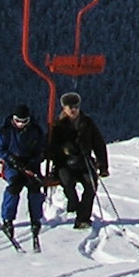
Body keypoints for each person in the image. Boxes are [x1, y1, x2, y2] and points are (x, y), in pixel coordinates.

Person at [47, 91, 109, 228]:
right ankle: (73, 202)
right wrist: (62, 150)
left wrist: (102, 165)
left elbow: (98, 143)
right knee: (67, 182)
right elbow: (50, 147)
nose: (73, 110)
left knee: (91, 185)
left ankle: (83, 218)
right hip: (64, 163)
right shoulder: (57, 125)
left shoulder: (87, 123)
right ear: (64, 108)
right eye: (70, 107)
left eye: (76, 107)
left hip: (84, 161)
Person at [0, 103, 48, 249]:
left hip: (31, 165)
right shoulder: (5, 132)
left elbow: (42, 148)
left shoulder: (35, 131)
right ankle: (7, 219)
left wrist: (35, 160)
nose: (20, 124)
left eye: (24, 121)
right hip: (13, 166)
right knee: (14, 186)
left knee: (35, 187)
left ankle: (36, 219)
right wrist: (11, 159)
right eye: (18, 121)